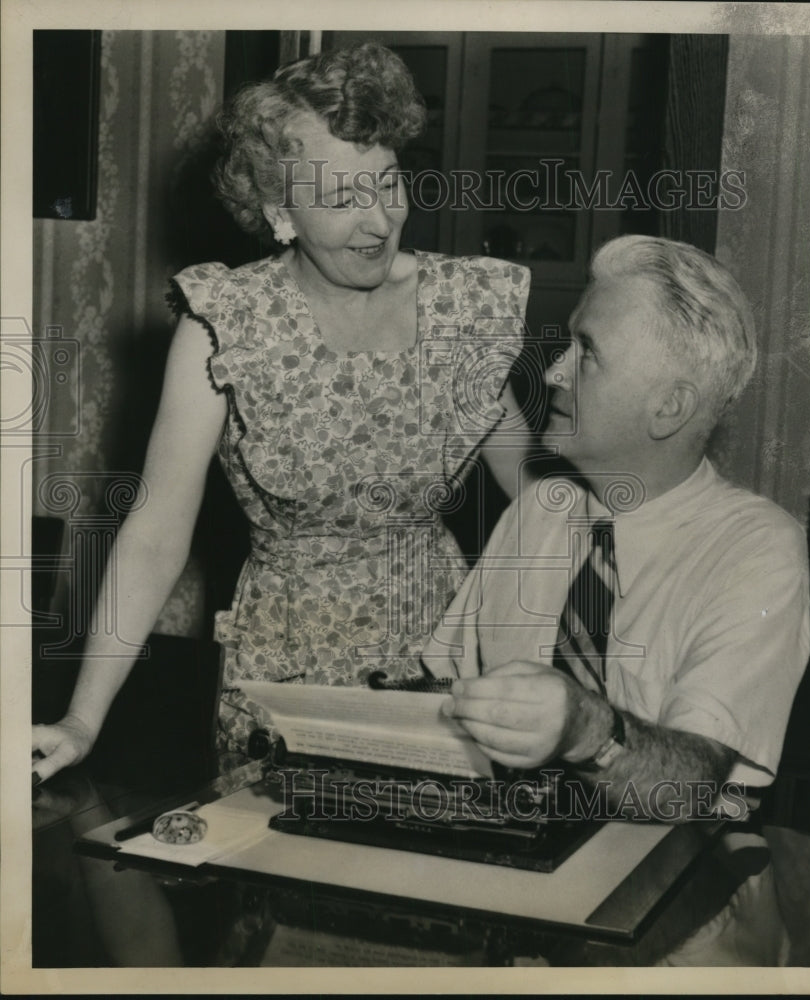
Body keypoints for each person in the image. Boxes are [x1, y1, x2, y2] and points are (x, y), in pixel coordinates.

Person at [32, 42, 531, 781]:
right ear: (279, 210)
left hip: (439, 666)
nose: (379, 222)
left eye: (388, 183)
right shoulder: (227, 321)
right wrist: (81, 721)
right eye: (341, 199)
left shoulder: (464, 308)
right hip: (286, 674)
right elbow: (155, 535)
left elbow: (542, 501)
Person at [425, 233, 810, 818]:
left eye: (587, 351)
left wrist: (586, 729)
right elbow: (444, 689)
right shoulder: (540, 509)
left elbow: (691, 787)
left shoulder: (755, 549)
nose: (553, 372)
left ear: (669, 407)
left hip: (667, 857)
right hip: (508, 838)